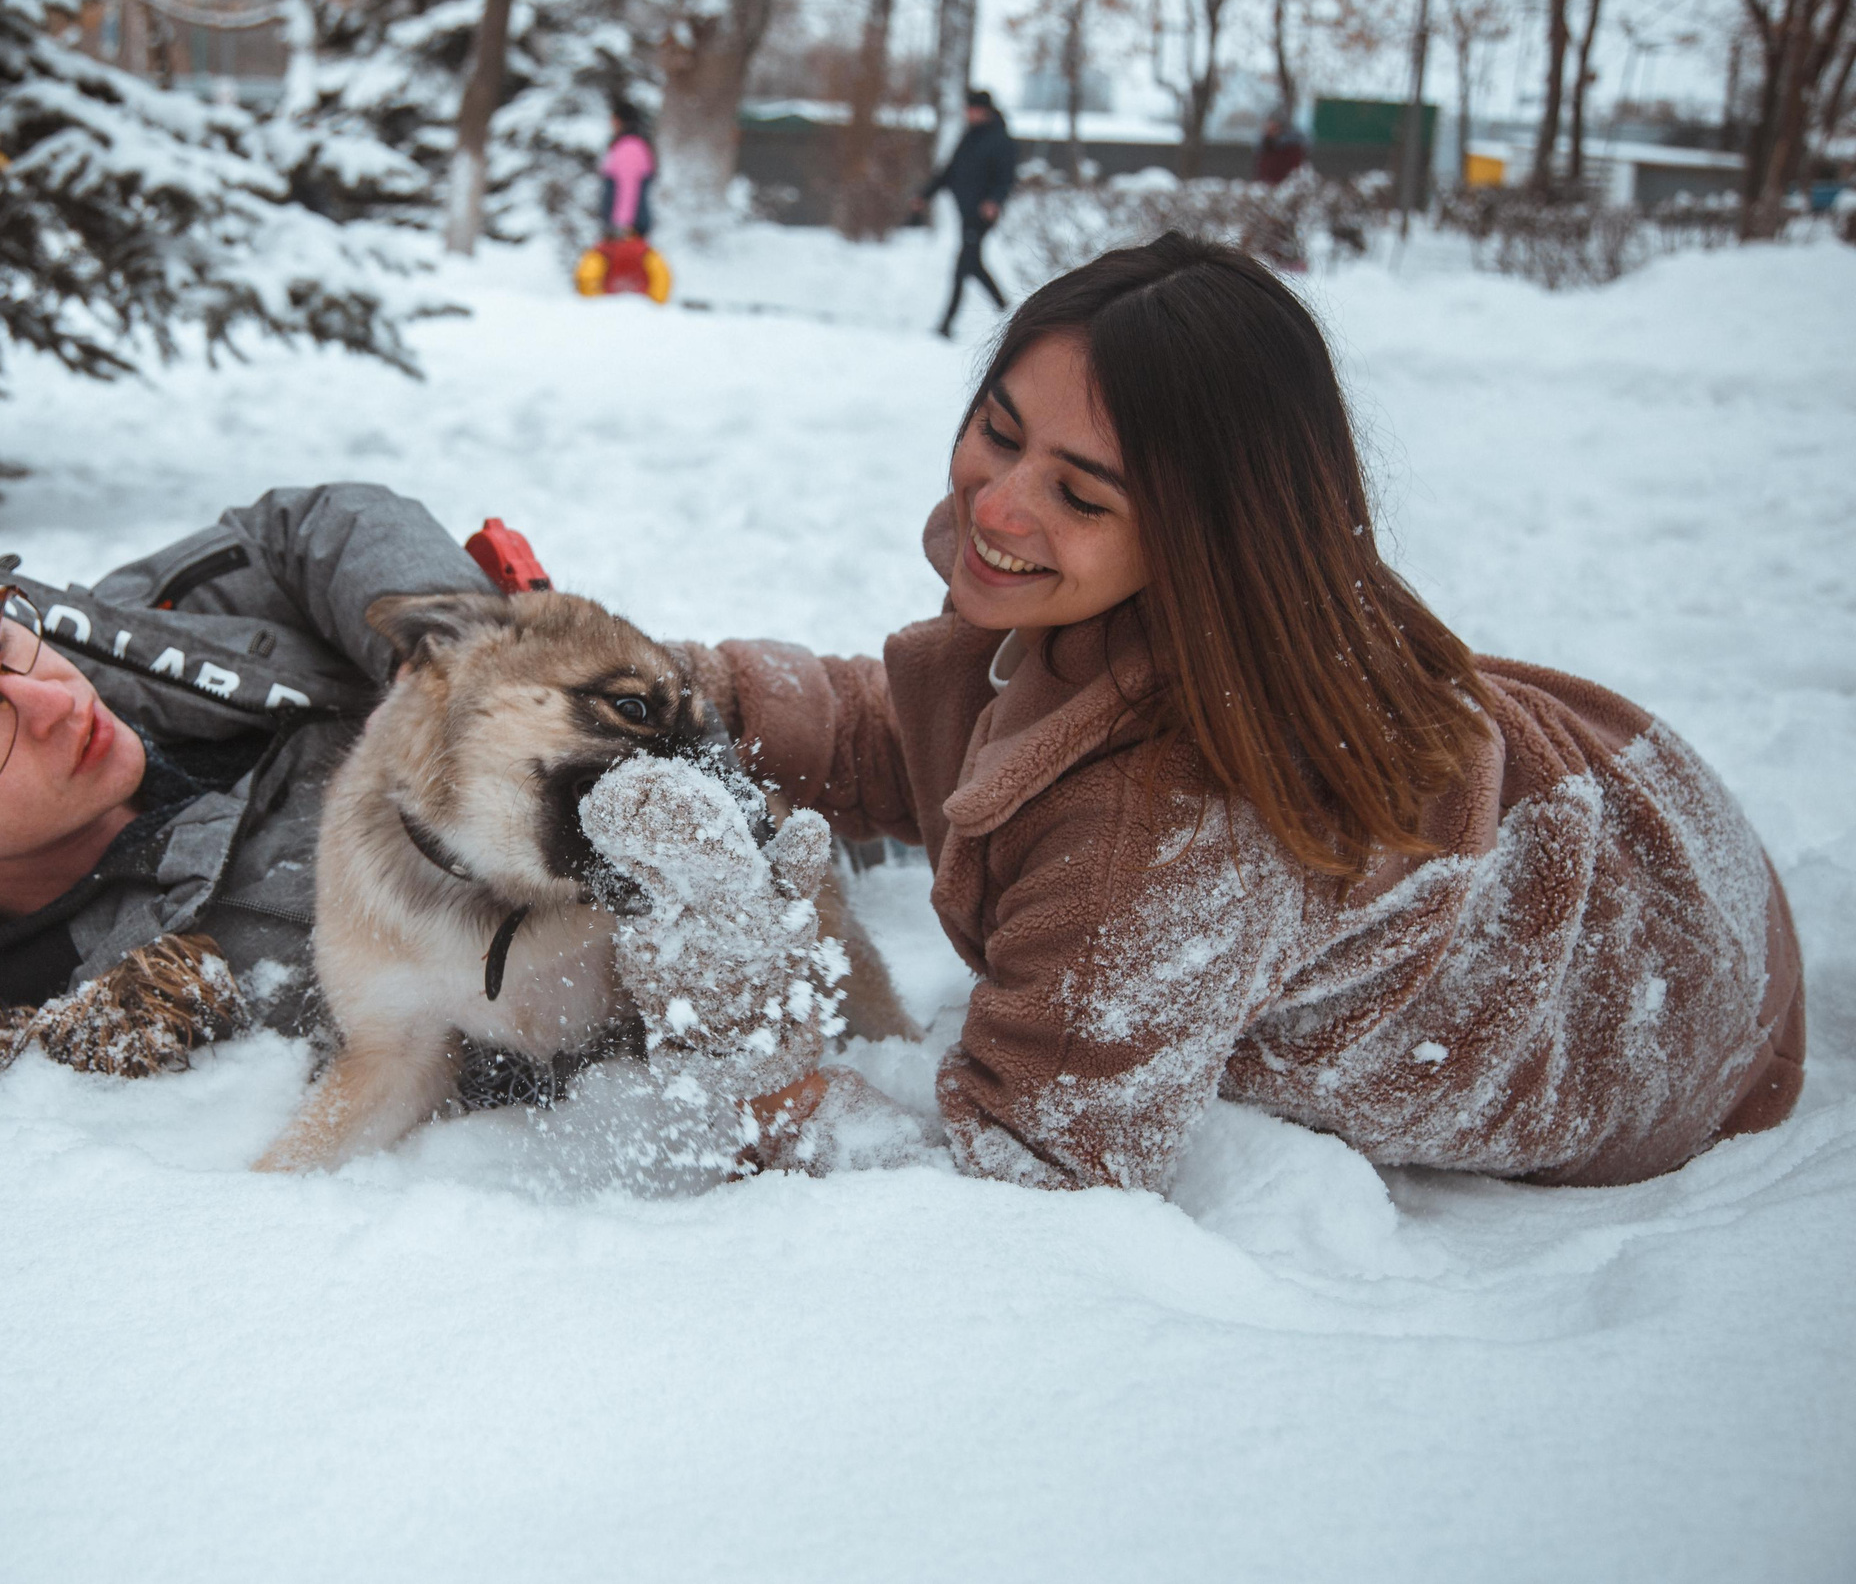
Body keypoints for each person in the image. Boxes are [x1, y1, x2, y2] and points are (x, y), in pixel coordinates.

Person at [681, 234, 1803, 1190]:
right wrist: (679, 695)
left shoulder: (1163, 835)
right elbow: (943, 744)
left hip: (1668, 996)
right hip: (1627, 803)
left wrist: (751, 1063)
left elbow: (1028, 1180)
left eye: (1080, 493)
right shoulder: (1177, 605)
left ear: (1207, 533)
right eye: (1000, 431)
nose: (1001, 505)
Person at [0, 483, 548, 1086]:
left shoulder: (106, 636)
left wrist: (450, 661)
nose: (52, 697)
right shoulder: (173, 995)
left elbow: (298, 529)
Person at [914, 89, 1020, 339]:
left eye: (972, 109)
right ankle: (1007, 312)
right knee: (972, 264)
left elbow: (1005, 178)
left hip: (982, 214)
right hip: (965, 209)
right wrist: (925, 195)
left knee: (964, 265)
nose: (968, 114)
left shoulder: (1001, 140)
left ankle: (947, 323)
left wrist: (994, 201)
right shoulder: (970, 137)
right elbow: (949, 171)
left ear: (984, 111)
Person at [600, 102, 656, 240]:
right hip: (628, 227)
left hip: (628, 230)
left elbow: (628, 188)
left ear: (621, 121)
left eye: (613, 119)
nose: (611, 124)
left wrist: (622, 225)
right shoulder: (630, 144)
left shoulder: (630, 146)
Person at [1255, 110, 1309, 185]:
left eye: (1274, 127)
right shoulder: (1266, 145)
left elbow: (1294, 171)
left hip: (1285, 187)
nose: (1270, 129)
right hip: (1266, 186)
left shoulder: (1292, 147)